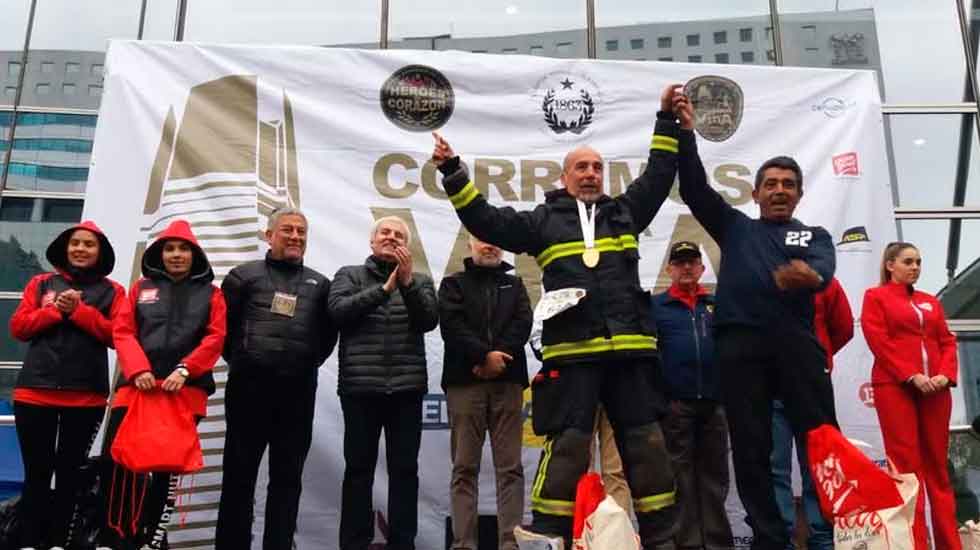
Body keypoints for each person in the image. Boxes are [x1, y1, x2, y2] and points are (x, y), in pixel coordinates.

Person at [431, 84, 683, 550]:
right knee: (566, 445)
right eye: (580, 167)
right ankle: (548, 532)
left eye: (596, 168)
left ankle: (663, 538)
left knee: (647, 448)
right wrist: (452, 171)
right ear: (565, 176)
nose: (590, 174)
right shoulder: (542, 222)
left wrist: (666, 119)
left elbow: (661, 172)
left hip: (631, 353)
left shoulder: (625, 212)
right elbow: (486, 220)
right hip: (573, 354)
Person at [674, 90, 837, 550]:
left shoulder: (814, 234)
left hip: (796, 345)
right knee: (751, 451)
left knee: (822, 439)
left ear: (799, 193)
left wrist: (811, 274)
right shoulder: (736, 227)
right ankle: (770, 538)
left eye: (788, 183)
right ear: (756, 192)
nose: (780, 189)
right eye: (772, 183)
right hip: (740, 348)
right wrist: (685, 132)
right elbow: (693, 189)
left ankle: (828, 533)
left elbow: (824, 268)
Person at [215, 208, 338, 550]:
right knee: (239, 476)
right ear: (269, 235)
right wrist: (246, 362)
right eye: (287, 230)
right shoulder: (242, 277)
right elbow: (223, 332)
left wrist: (302, 364)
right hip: (247, 390)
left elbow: (326, 338)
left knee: (287, 479)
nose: (295, 237)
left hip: (298, 393)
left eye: (301, 231)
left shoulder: (320, 284)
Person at [101, 219, 226, 549]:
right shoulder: (140, 289)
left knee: (166, 472)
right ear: (160, 254)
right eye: (169, 249)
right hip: (136, 392)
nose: (176, 254)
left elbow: (216, 337)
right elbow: (123, 331)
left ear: (195, 255)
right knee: (121, 467)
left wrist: (185, 370)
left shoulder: (212, 294)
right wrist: (139, 368)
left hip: (184, 395)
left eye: (183, 249)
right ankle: (119, 539)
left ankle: (155, 541)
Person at [9, 220, 126, 550]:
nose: (80, 248)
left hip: (85, 398)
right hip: (33, 393)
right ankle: (31, 542)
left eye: (89, 244)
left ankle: (61, 542)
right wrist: (55, 313)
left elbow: (116, 337)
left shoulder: (114, 291)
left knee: (70, 477)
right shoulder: (41, 282)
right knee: (37, 475)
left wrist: (79, 311)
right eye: (75, 242)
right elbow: (19, 328)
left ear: (100, 252)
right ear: (65, 247)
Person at [329, 216, 439, 550]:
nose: (391, 237)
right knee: (358, 471)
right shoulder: (349, 275)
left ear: (407, 244)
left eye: (398, 234)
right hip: (360, 390)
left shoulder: (419, 280)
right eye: (385, 232)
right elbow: (338, 313)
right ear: (372, 240)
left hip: (406, 392)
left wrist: (405, 285)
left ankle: (403, 544)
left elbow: (428, 321)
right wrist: (384, 290)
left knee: (405, 472)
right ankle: (353, 544)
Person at [861, 242, 960, 550]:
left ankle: (950, 544)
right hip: (896, 390)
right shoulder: (875, 297)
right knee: (906, 472)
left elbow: (946, 340)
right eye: (908, 261)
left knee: (938, 471)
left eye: (918, 261)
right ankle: (915, 544)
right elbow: (878, 339)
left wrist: (945, 375)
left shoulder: (931, 301)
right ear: (890, 265)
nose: (915, 266)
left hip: (936, 392)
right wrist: (911, 375)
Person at [439, 235, 532, 550]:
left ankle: (510, 543)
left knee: (510, 469)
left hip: (507, 383)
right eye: (482, 240)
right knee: (464, 467)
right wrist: (482, 358)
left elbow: (522, 324)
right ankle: (464, 544)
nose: (490, 245)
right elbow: (452, 327)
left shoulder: (516, 285)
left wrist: (497, 359)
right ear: (470, 245)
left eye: (495, 240)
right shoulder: (453, 285)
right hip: (466, 384)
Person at [652, 240, 733, 550]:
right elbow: (648, 358)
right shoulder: (656, 306)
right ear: (669, 269)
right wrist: (661, 399)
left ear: (701, 268)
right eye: (680, 262)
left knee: (715, 480)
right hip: (675, 406)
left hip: (715, 405)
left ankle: (717, 544)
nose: (686, 267)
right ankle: (687, 544)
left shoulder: (716, 304)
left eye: (692, 262)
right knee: (679, 480)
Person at [769, 277, 853, 550]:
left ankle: (823, 539)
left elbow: (843, 328)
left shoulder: (822, 280)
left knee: (819, 465)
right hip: (771, 384)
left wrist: (819, 357)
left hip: (812, 384)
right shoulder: (759, 275)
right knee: (774, 466)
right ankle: (782, 539)